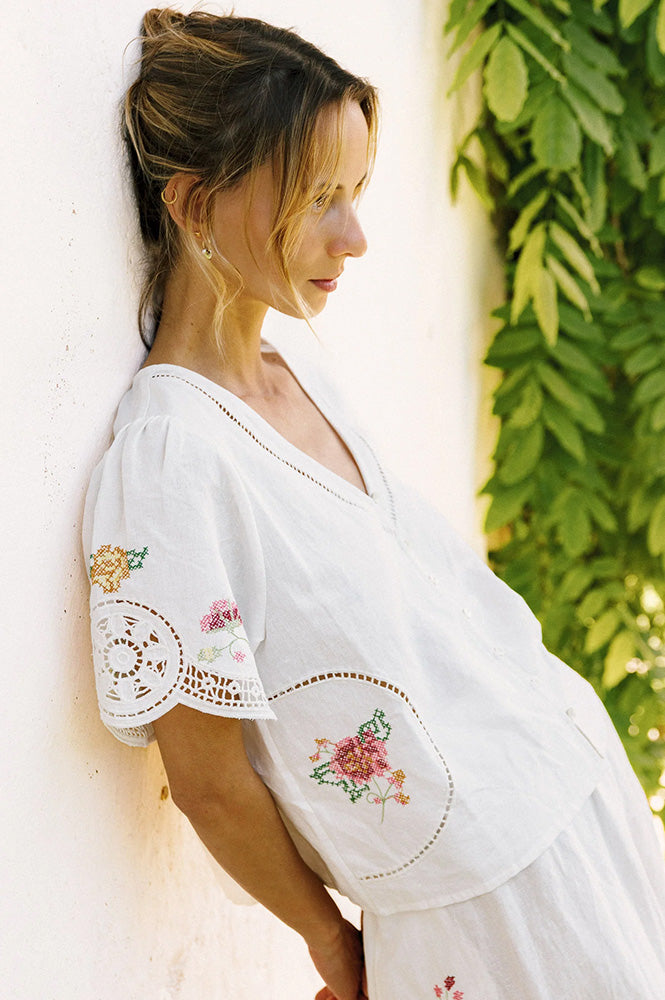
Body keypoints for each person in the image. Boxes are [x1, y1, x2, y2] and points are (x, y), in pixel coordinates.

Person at [83, 9, 665, 1000]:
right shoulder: (171, 460)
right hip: (482, 908)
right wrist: (332, 944)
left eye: (353, 194)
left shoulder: (293, 371)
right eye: (319, 199)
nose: (353, 238)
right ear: (192, 202)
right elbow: (207, 777)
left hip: (577, 797)